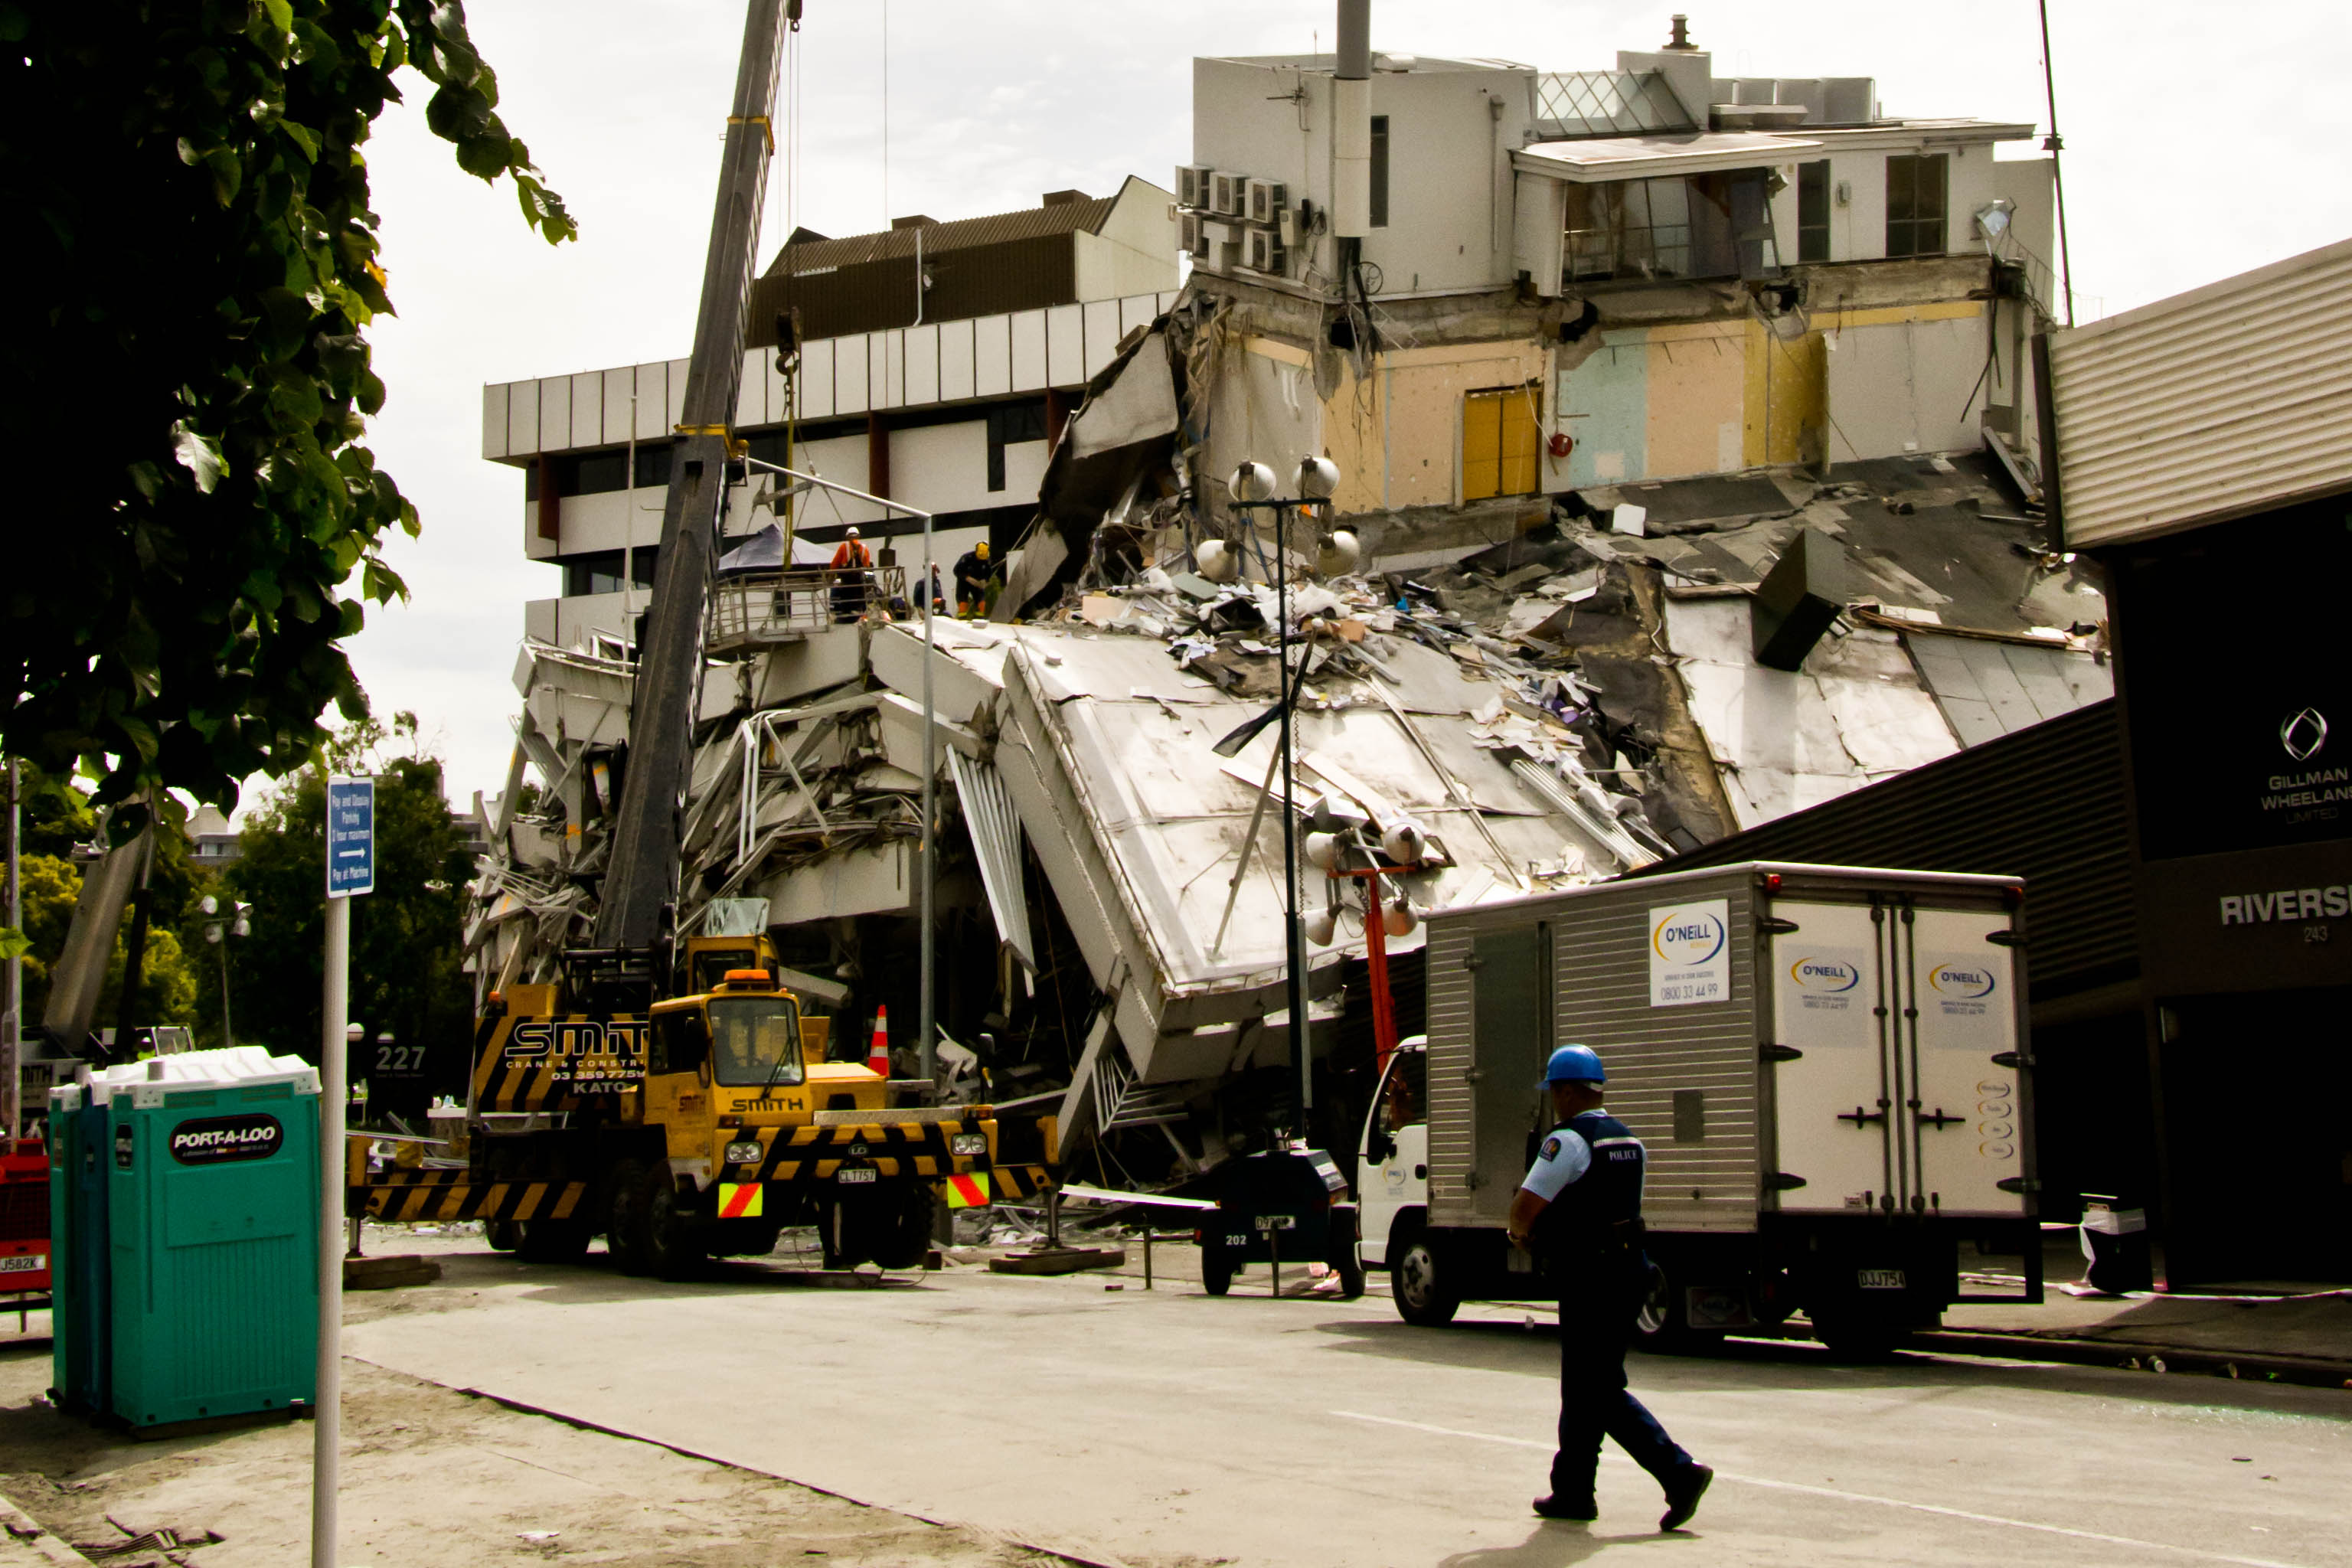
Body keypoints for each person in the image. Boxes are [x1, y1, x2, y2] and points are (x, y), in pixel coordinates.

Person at [1508, 1044, 1713, 1531]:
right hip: (1629, 1270)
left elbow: (1526, 1205)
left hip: (1592, 1277)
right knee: (1584, 1386)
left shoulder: (1569, 1141)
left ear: (1569, 1090)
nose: (1553, 1101)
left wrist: (1519, 1234)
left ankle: (1679, 1472)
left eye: (1556, 1091)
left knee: (1596, 1389)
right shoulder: (1628, 1139)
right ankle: (1573, 1491)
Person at [828, 526, 873, 622]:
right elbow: (867, 567)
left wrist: (830, 579)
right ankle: (864, 608)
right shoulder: (865, 549)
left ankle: (832, 610)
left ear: (847, 537)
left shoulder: (844, 547)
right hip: (860, 584)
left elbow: (834, 565)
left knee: (834, 588)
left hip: (846, 583)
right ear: (859, 536)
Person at [953, 540, 995, 618]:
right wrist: (968, 578)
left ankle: (979, 620)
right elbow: (956, 570)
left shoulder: (986, 560)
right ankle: (963, 620)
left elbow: (989, 573)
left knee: (982, 604)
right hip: (964, 583)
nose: (981, 560)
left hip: (977, 584)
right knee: (963, 604)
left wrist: (985, 581)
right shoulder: (966, 558)